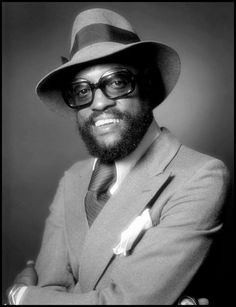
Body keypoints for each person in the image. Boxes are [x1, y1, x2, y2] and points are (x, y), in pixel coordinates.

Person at [6, 8, 229, 305]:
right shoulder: (72, 180)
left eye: (116, 81)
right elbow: (50, 286)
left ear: (147, 85)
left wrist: (20, 297)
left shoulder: (201, 176)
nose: (99, 103)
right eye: (81, 90)